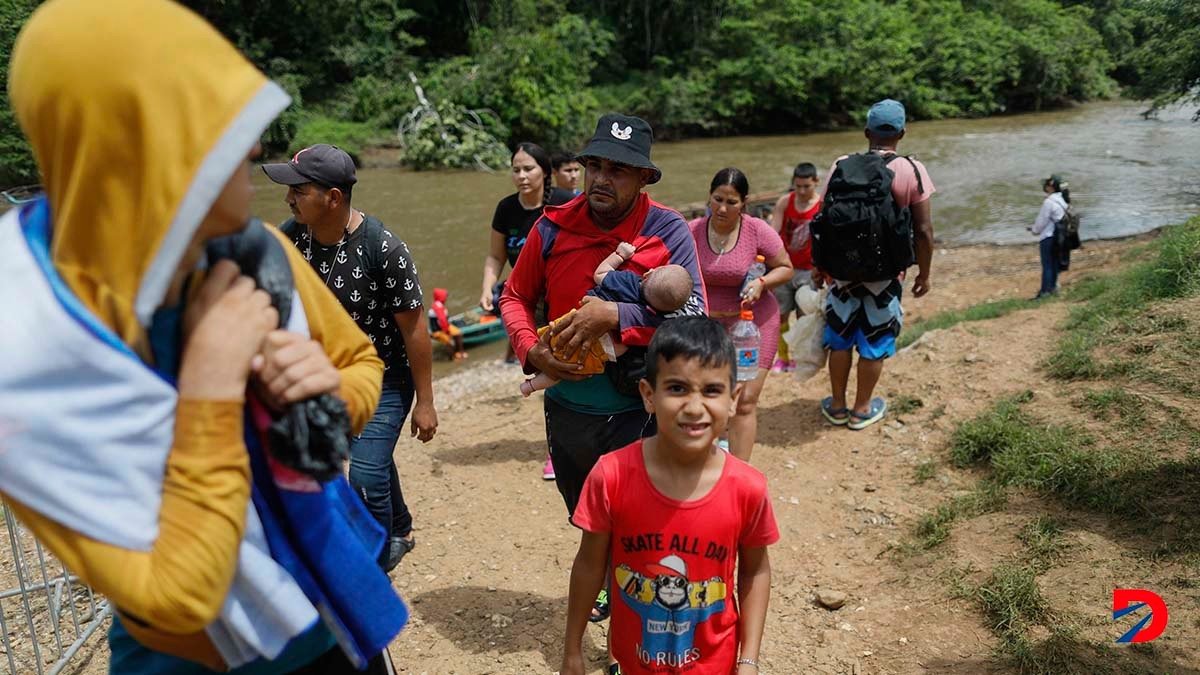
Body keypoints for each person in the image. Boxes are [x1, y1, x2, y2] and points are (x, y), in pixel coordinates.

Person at [0, 1, 406, 672]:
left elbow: (360, 363)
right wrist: (214, 379)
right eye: (215, 124)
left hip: (330, 611)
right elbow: (181, 595)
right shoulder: (26, 357)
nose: (252, 145)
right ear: (139, 153)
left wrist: (325, 390)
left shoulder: (259, 254)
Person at [499, 113, 706, 648]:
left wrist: (616, 317)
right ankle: (615, 586)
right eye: (595, 166)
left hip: (639, 407)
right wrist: (530, 349)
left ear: (644, 179)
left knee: (637, 530)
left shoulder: (666, 229)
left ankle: (626, 646)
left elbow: (697, 314)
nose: (602, 179)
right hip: (568, 408)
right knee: (589, 520)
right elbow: (514, 297)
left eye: (619, 169)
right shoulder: (551, 227)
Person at [561, 316, 778, 675]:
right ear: (649, 395)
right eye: (677, 388)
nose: (694, 407)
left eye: (711, 390)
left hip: (715, 664)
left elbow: (755, 571)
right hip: (634, 662)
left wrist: (749, 660)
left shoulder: (747, 488)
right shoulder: (611, 476)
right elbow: (589, 564)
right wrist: (573, 649)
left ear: (733, 399)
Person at [264, 144, 437, 571]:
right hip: (326, 374)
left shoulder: (384, 250)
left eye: (298, 190)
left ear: (333, 198)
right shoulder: (292, 236)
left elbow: (415, 329)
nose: (288, 198)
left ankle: (373, 562)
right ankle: (400, 527)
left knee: (362, 473)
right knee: (370, 461)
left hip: (388, 378)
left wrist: (427, 403)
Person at [815, 98, 935, 431]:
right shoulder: (911, 169)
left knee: (840, 338)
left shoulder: (842, 164)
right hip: (886, 276)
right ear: (902, 133)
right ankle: (862, 409)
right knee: (875, 340)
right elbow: (924, 231)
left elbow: (822, 219)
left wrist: (819, 266)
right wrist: (923, 274)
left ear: (866, 131)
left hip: (841, 275)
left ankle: (837, 406)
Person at [480, 142, 574, 480]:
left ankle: (561, 448)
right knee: (546, 373)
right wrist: (487, 286)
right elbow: (496, 255)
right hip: (526, 303)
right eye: (516, 169)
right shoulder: (506, 209)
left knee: (564, 373)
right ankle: (557, 447)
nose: (521, 176)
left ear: (545, 172)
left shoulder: (563, 202)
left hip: (564, 301)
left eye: (528, 169)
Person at [688, 168, 792, 461]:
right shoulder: (691, 230)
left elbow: (785, 267)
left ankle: (740, 475)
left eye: (731, 202)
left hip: (753, 324)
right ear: (709, 197)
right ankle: (707, 461)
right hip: (708, 327)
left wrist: (762, 283)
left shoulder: (757, 230)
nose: (722, 208)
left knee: (745, 401)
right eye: (717, 199)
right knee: (710, 396)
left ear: (743, 204)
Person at [519, 241, 693, 396]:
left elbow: (600, 274)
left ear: (648, 274)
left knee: (553, 347)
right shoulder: (650, 313)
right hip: (605, 349)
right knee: (563, 369)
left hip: (578, 322)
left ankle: (533, 379)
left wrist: (619, 255)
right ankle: (531, 386)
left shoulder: (628, 281)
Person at [770, 162, 821, 372]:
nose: (801, 191)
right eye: (797, 186)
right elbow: (773, 233)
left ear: (815, 183)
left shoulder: (821, 206)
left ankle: (801, 357)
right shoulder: (785, 202)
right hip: (785, 268)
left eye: (806, 186)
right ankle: (783, 358)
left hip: (809, 270)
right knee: (780, 315)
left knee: (804, 318)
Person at [1029, 174, 1070, 299]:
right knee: (1054, 264)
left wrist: (1034, 230)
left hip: (1049, 237)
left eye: (1046, 184)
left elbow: (1041, 222)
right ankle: (1053, 289)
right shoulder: (1063, 200)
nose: (1044, 186)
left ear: (1051, 188)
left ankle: (1045, 292)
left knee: (1047, 265)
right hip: (1060, 237)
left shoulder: (1049, 202)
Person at [429, 288, 468, 360]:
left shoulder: (438, 304)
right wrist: (447, 332)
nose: (446, 298)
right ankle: (452, 358)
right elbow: (442, 320)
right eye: (445, 296)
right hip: (438, 330)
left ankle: (460, 352)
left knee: (458, 333)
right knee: (449, 342)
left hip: (443, 327)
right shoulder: (438, 307)